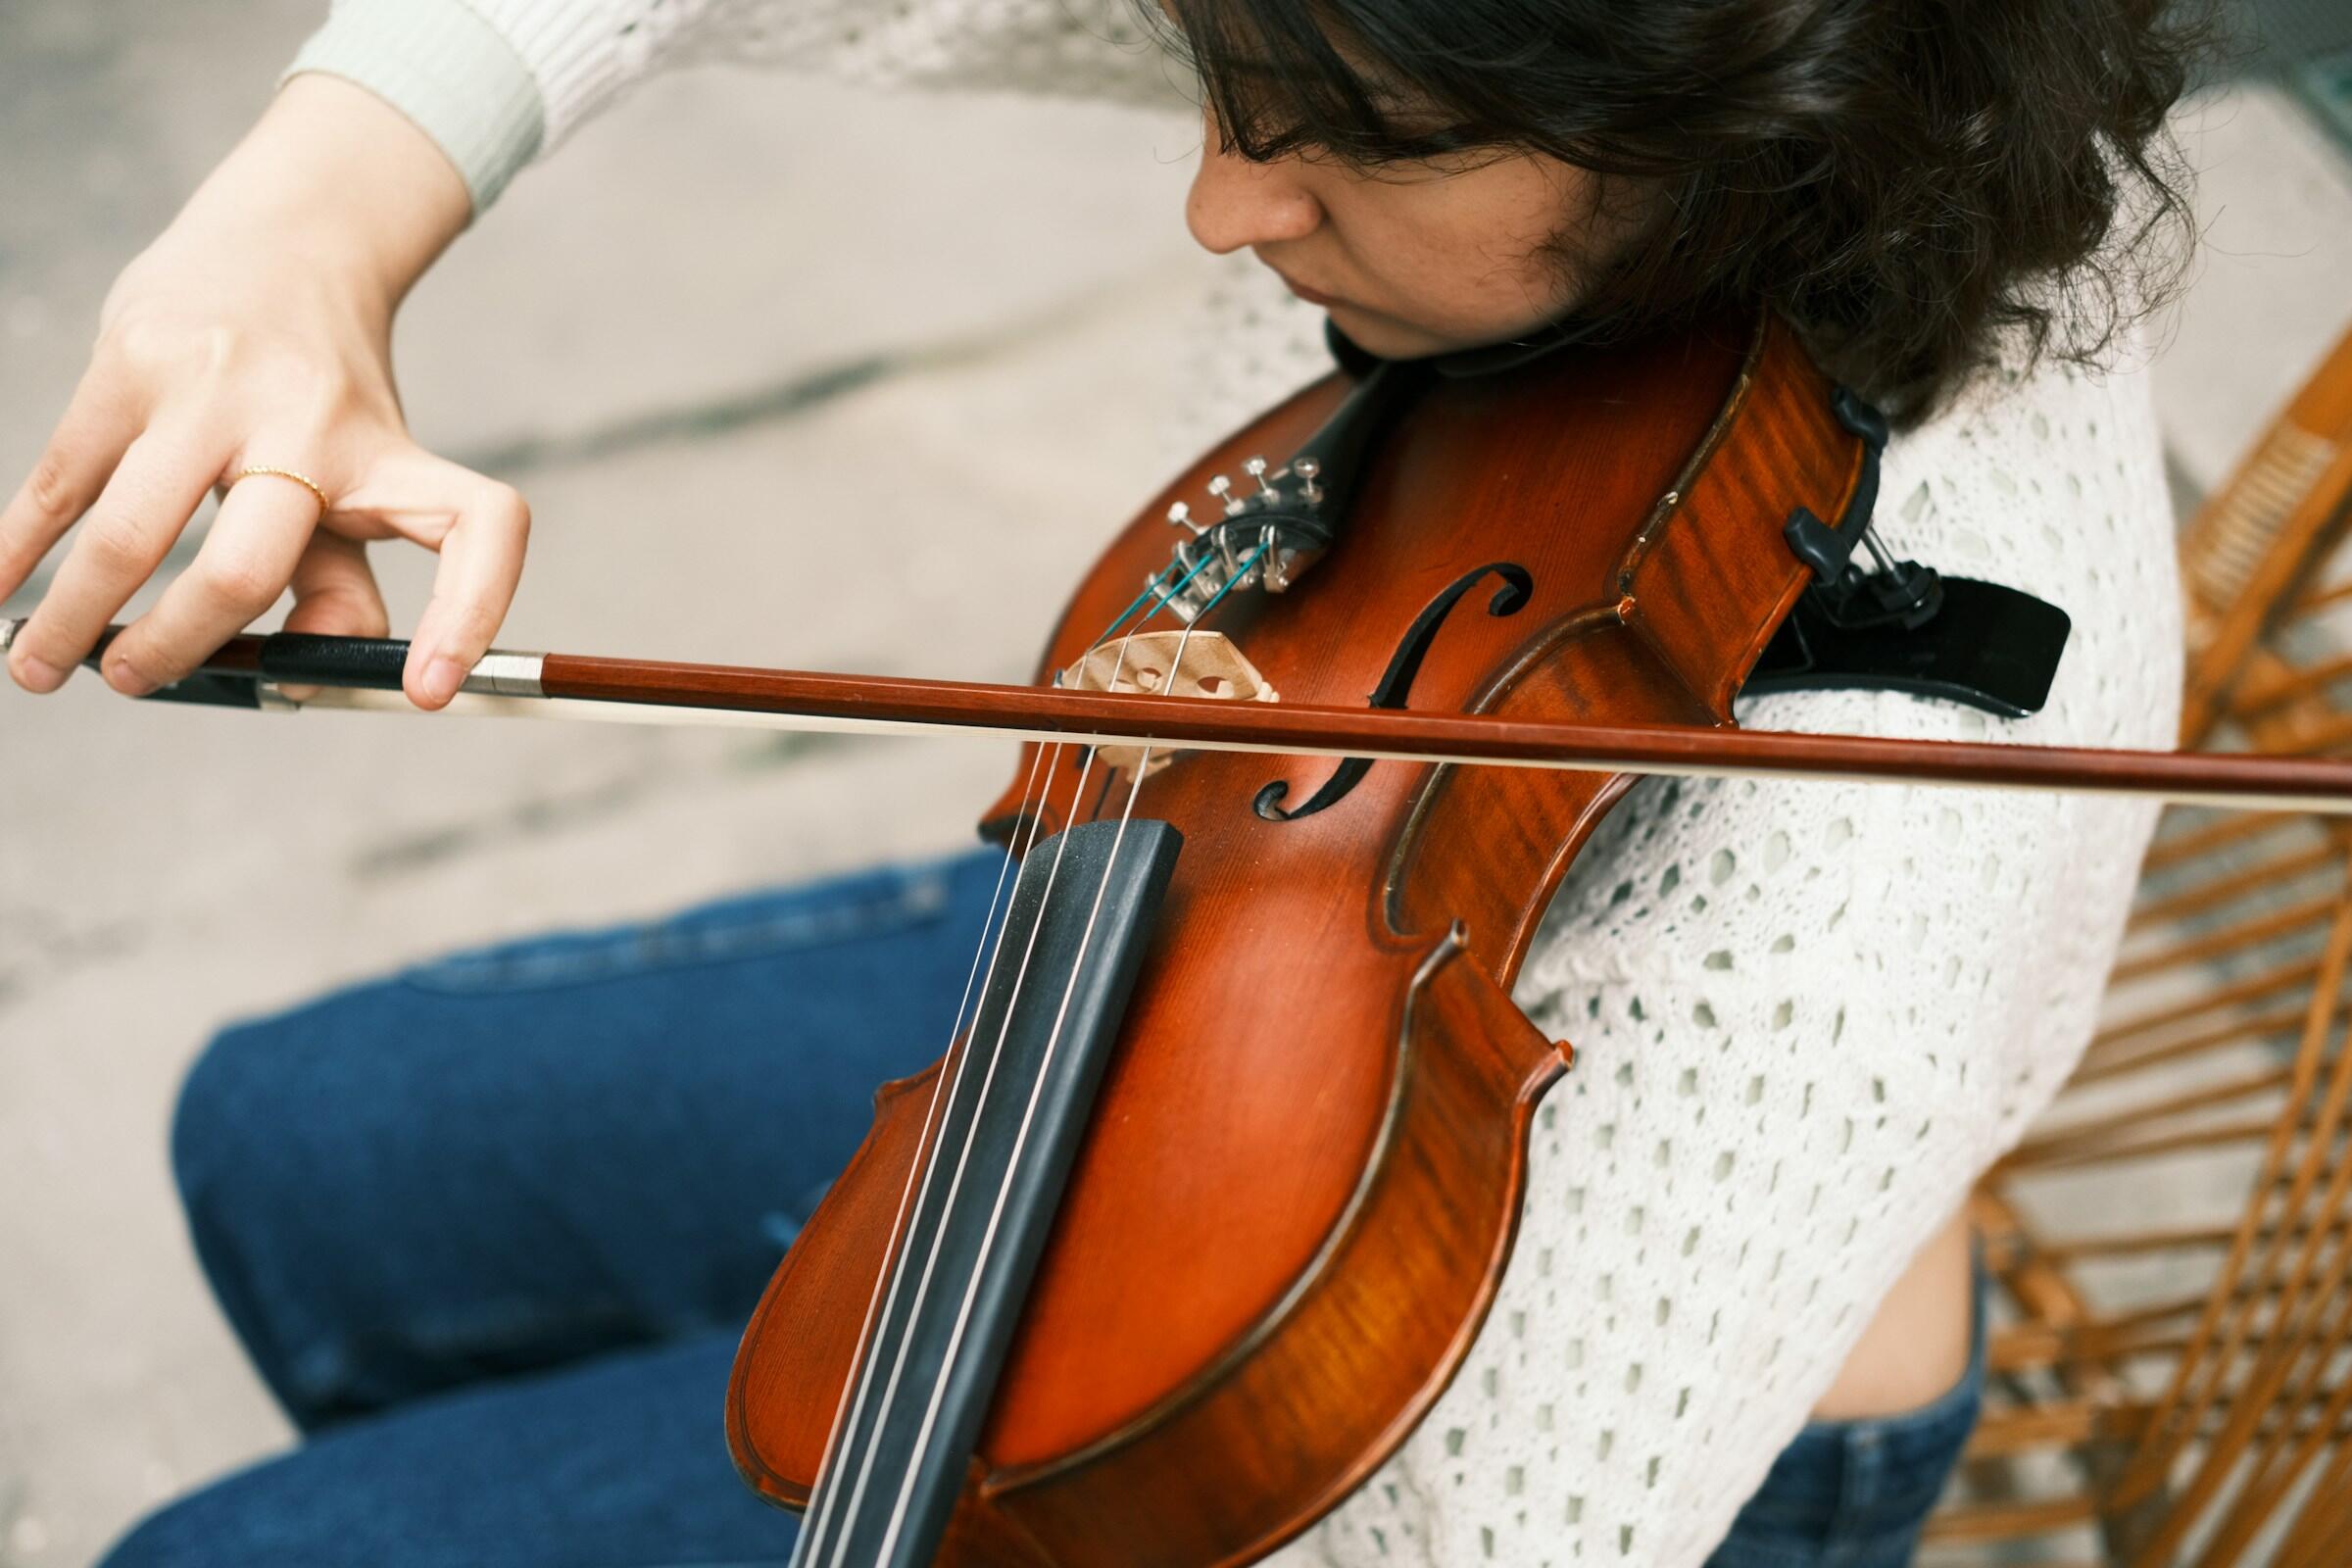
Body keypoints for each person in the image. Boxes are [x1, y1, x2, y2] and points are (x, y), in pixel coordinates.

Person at [0, 1, 2207, 1564]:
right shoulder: (1495, 74)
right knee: (293, 1136)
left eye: (1341, 127)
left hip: (1548, 1400)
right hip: (1240, 881)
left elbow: (1464, 1525)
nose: (1220, 194)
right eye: (1224, 60)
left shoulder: (1885, 849)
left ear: (1750, 105)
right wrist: (308, 218)